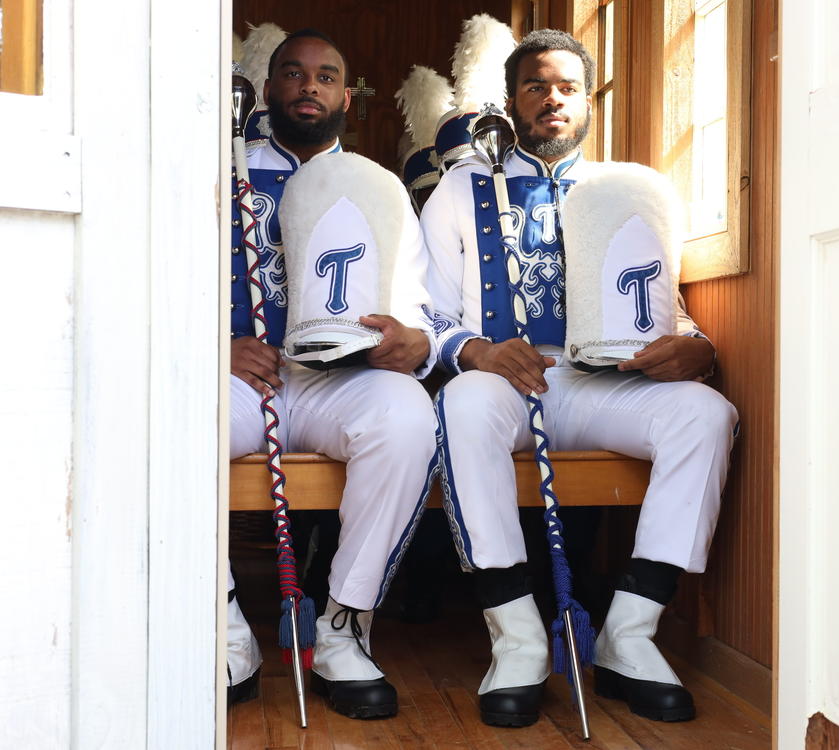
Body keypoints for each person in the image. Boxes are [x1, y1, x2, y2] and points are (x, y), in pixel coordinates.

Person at [420, 29, 738, 727]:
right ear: (512, 101)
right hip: (504, 383)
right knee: (465, 407)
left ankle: (630, 636)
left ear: (587, 101)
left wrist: (698, 348)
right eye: (536, 86)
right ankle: (519, 639)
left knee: (706, 414)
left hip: (603, 383)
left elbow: (666, 307)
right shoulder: (460, 187)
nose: (553, 100)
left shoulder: (626, 189)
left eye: (568, 87)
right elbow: (428, 312)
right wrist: (477, 351)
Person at [227, 28, 438, 720]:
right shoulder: (222, 170)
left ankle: (346, 629)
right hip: (238, 376)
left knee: (406, 417)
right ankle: (222, 629)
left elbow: (416, 299)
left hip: (336, 381)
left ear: (347, 95)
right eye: (293, 74)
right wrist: (210, 346)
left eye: (325, 77)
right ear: (269, 89)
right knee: (162, 417)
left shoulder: (380, 187)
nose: (308, 87)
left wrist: (411, 341)